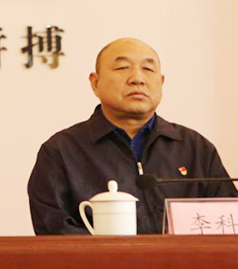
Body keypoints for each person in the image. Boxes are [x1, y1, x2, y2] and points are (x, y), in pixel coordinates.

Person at [28, 38, 238, 234]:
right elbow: (54, 232)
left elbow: (228, 224)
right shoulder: (61, 152)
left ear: (161, 82)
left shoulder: (195, 148)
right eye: (122, 68)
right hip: (101, 263)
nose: (137, 79)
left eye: (148, 69)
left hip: (187, 262)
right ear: (95, 83)